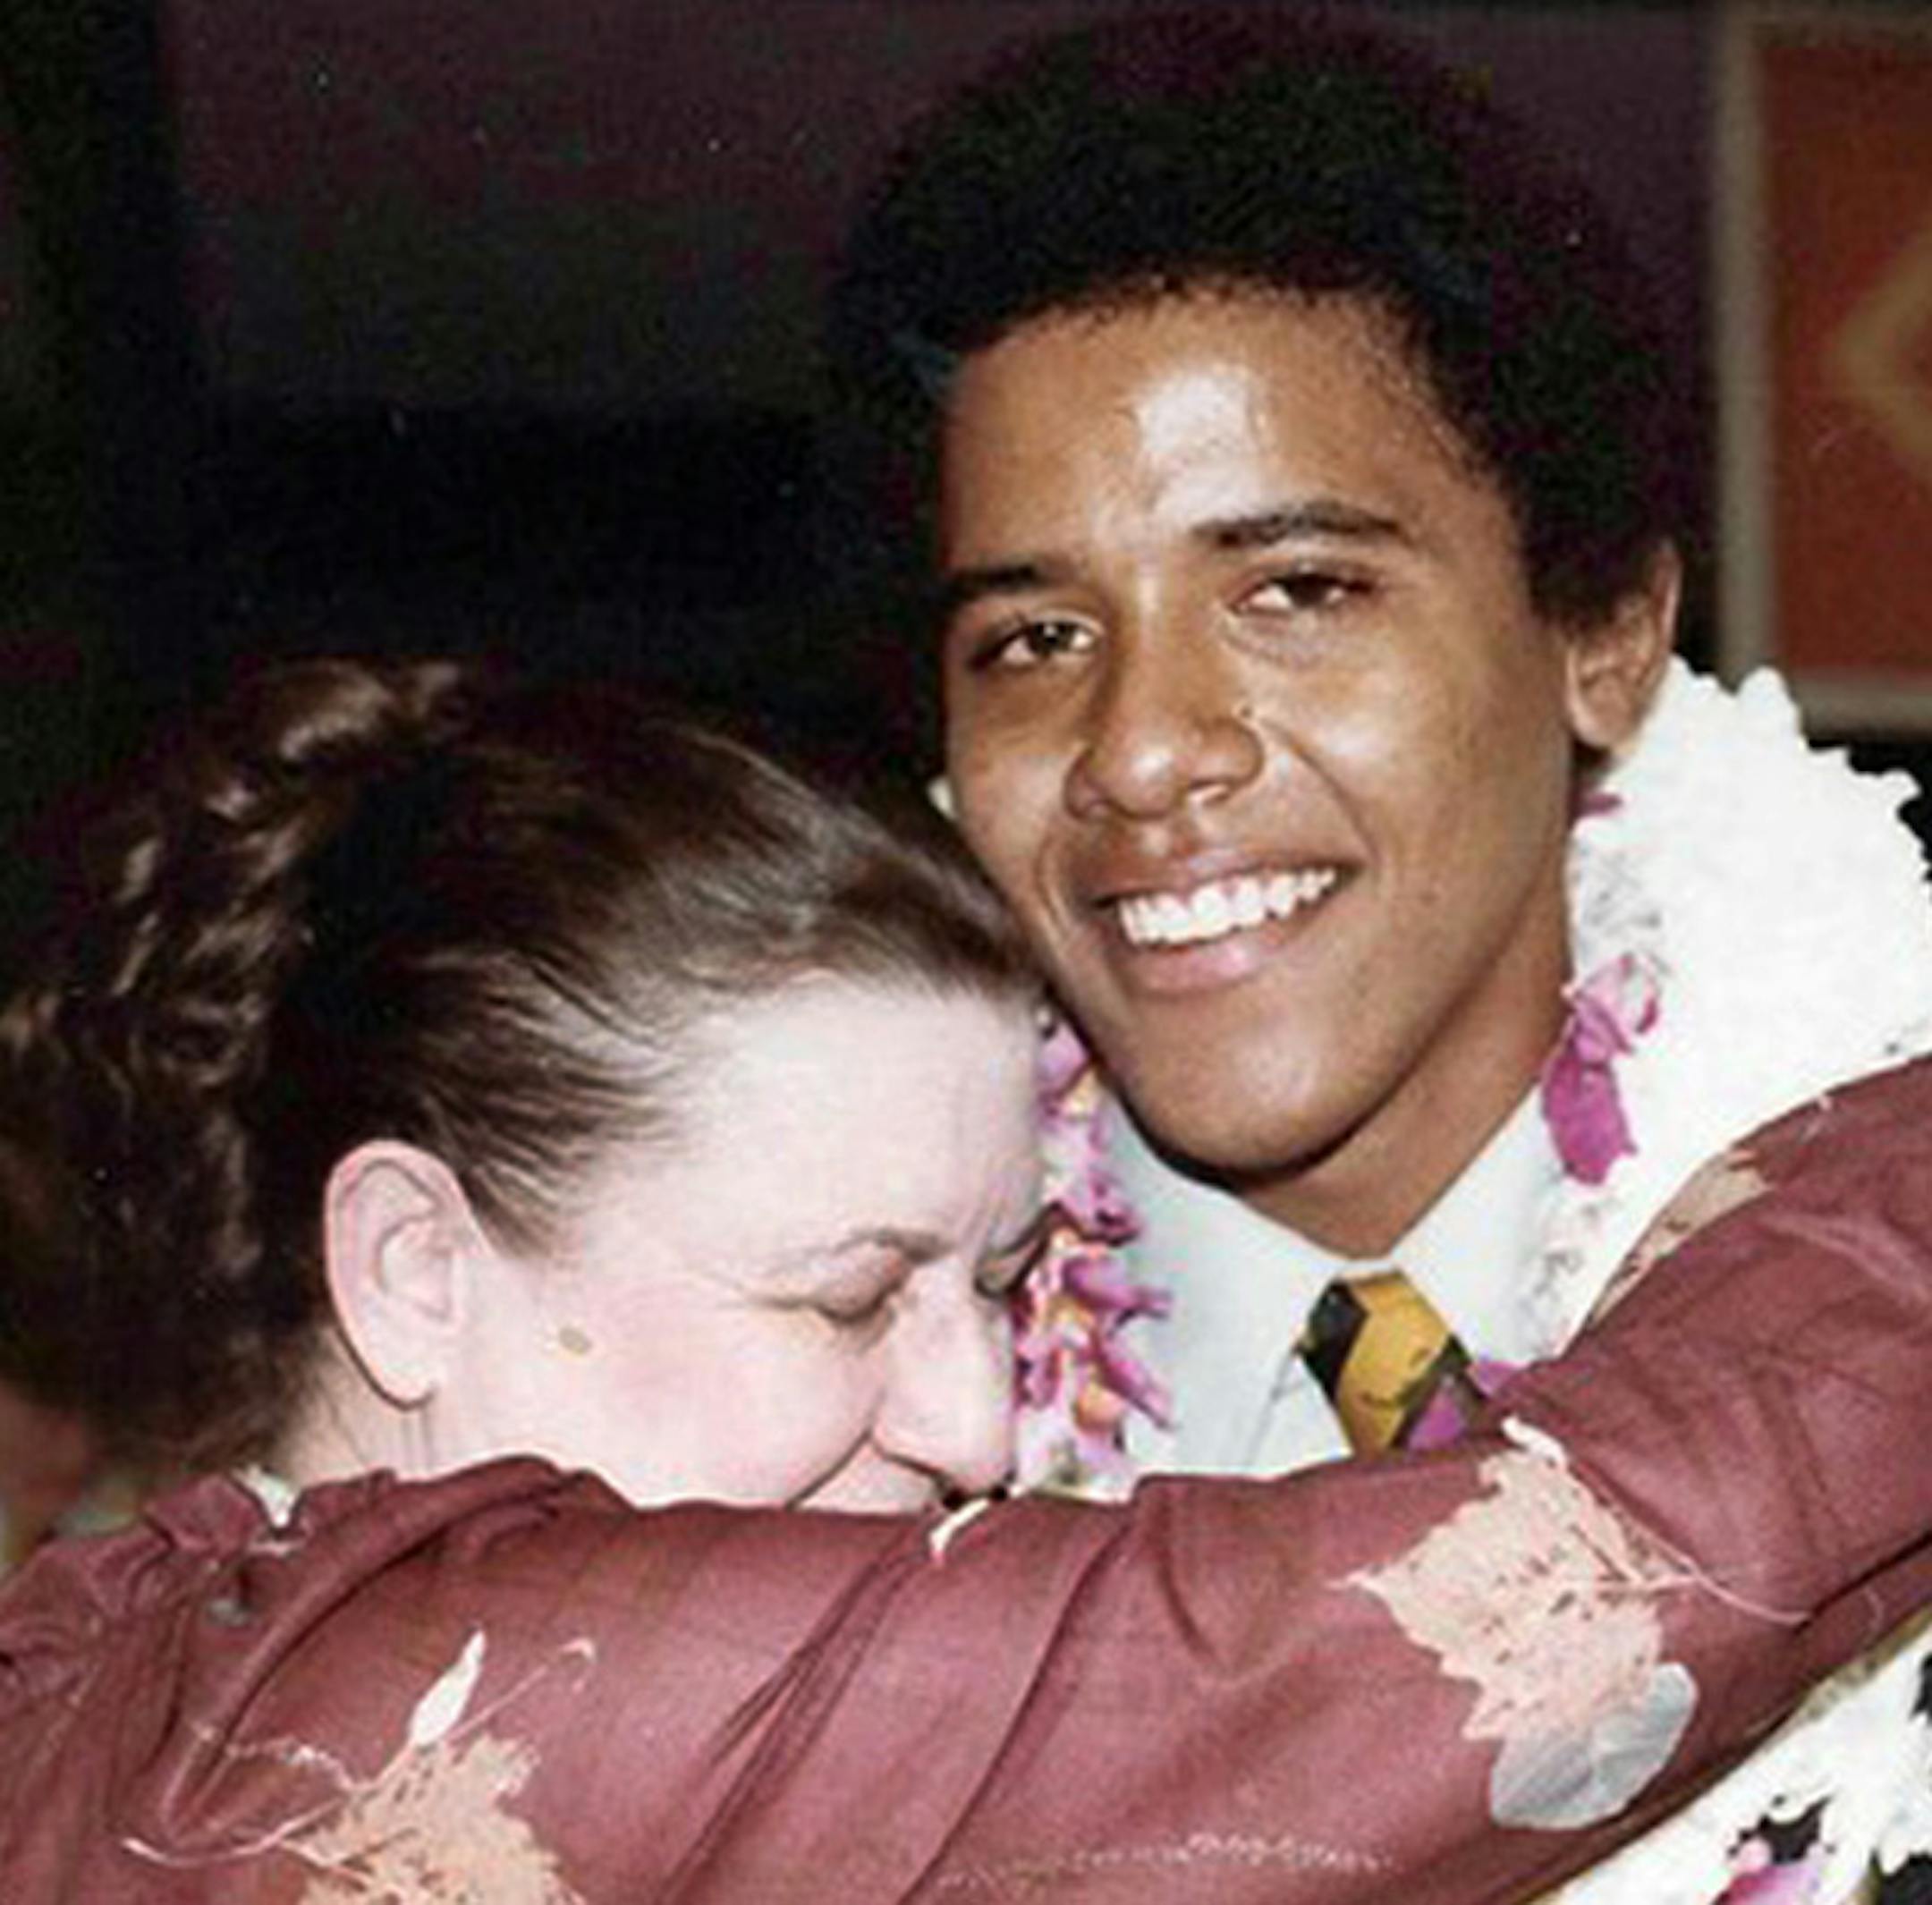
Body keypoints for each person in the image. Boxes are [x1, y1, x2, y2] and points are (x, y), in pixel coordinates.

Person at [4, 656, 1932, 1901]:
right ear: (417, 1268)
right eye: (850, 1298)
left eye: (1006, 1284)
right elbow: (1524, 1591)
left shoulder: (136, 1680)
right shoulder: (405, 1699)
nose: (983, 1421)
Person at [825, 11, 1932, 1896]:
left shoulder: (1880, 1300)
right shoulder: (801, 1432)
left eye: (1299, 592)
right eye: (1033, 639)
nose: (1144, 749)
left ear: (1604, 635)